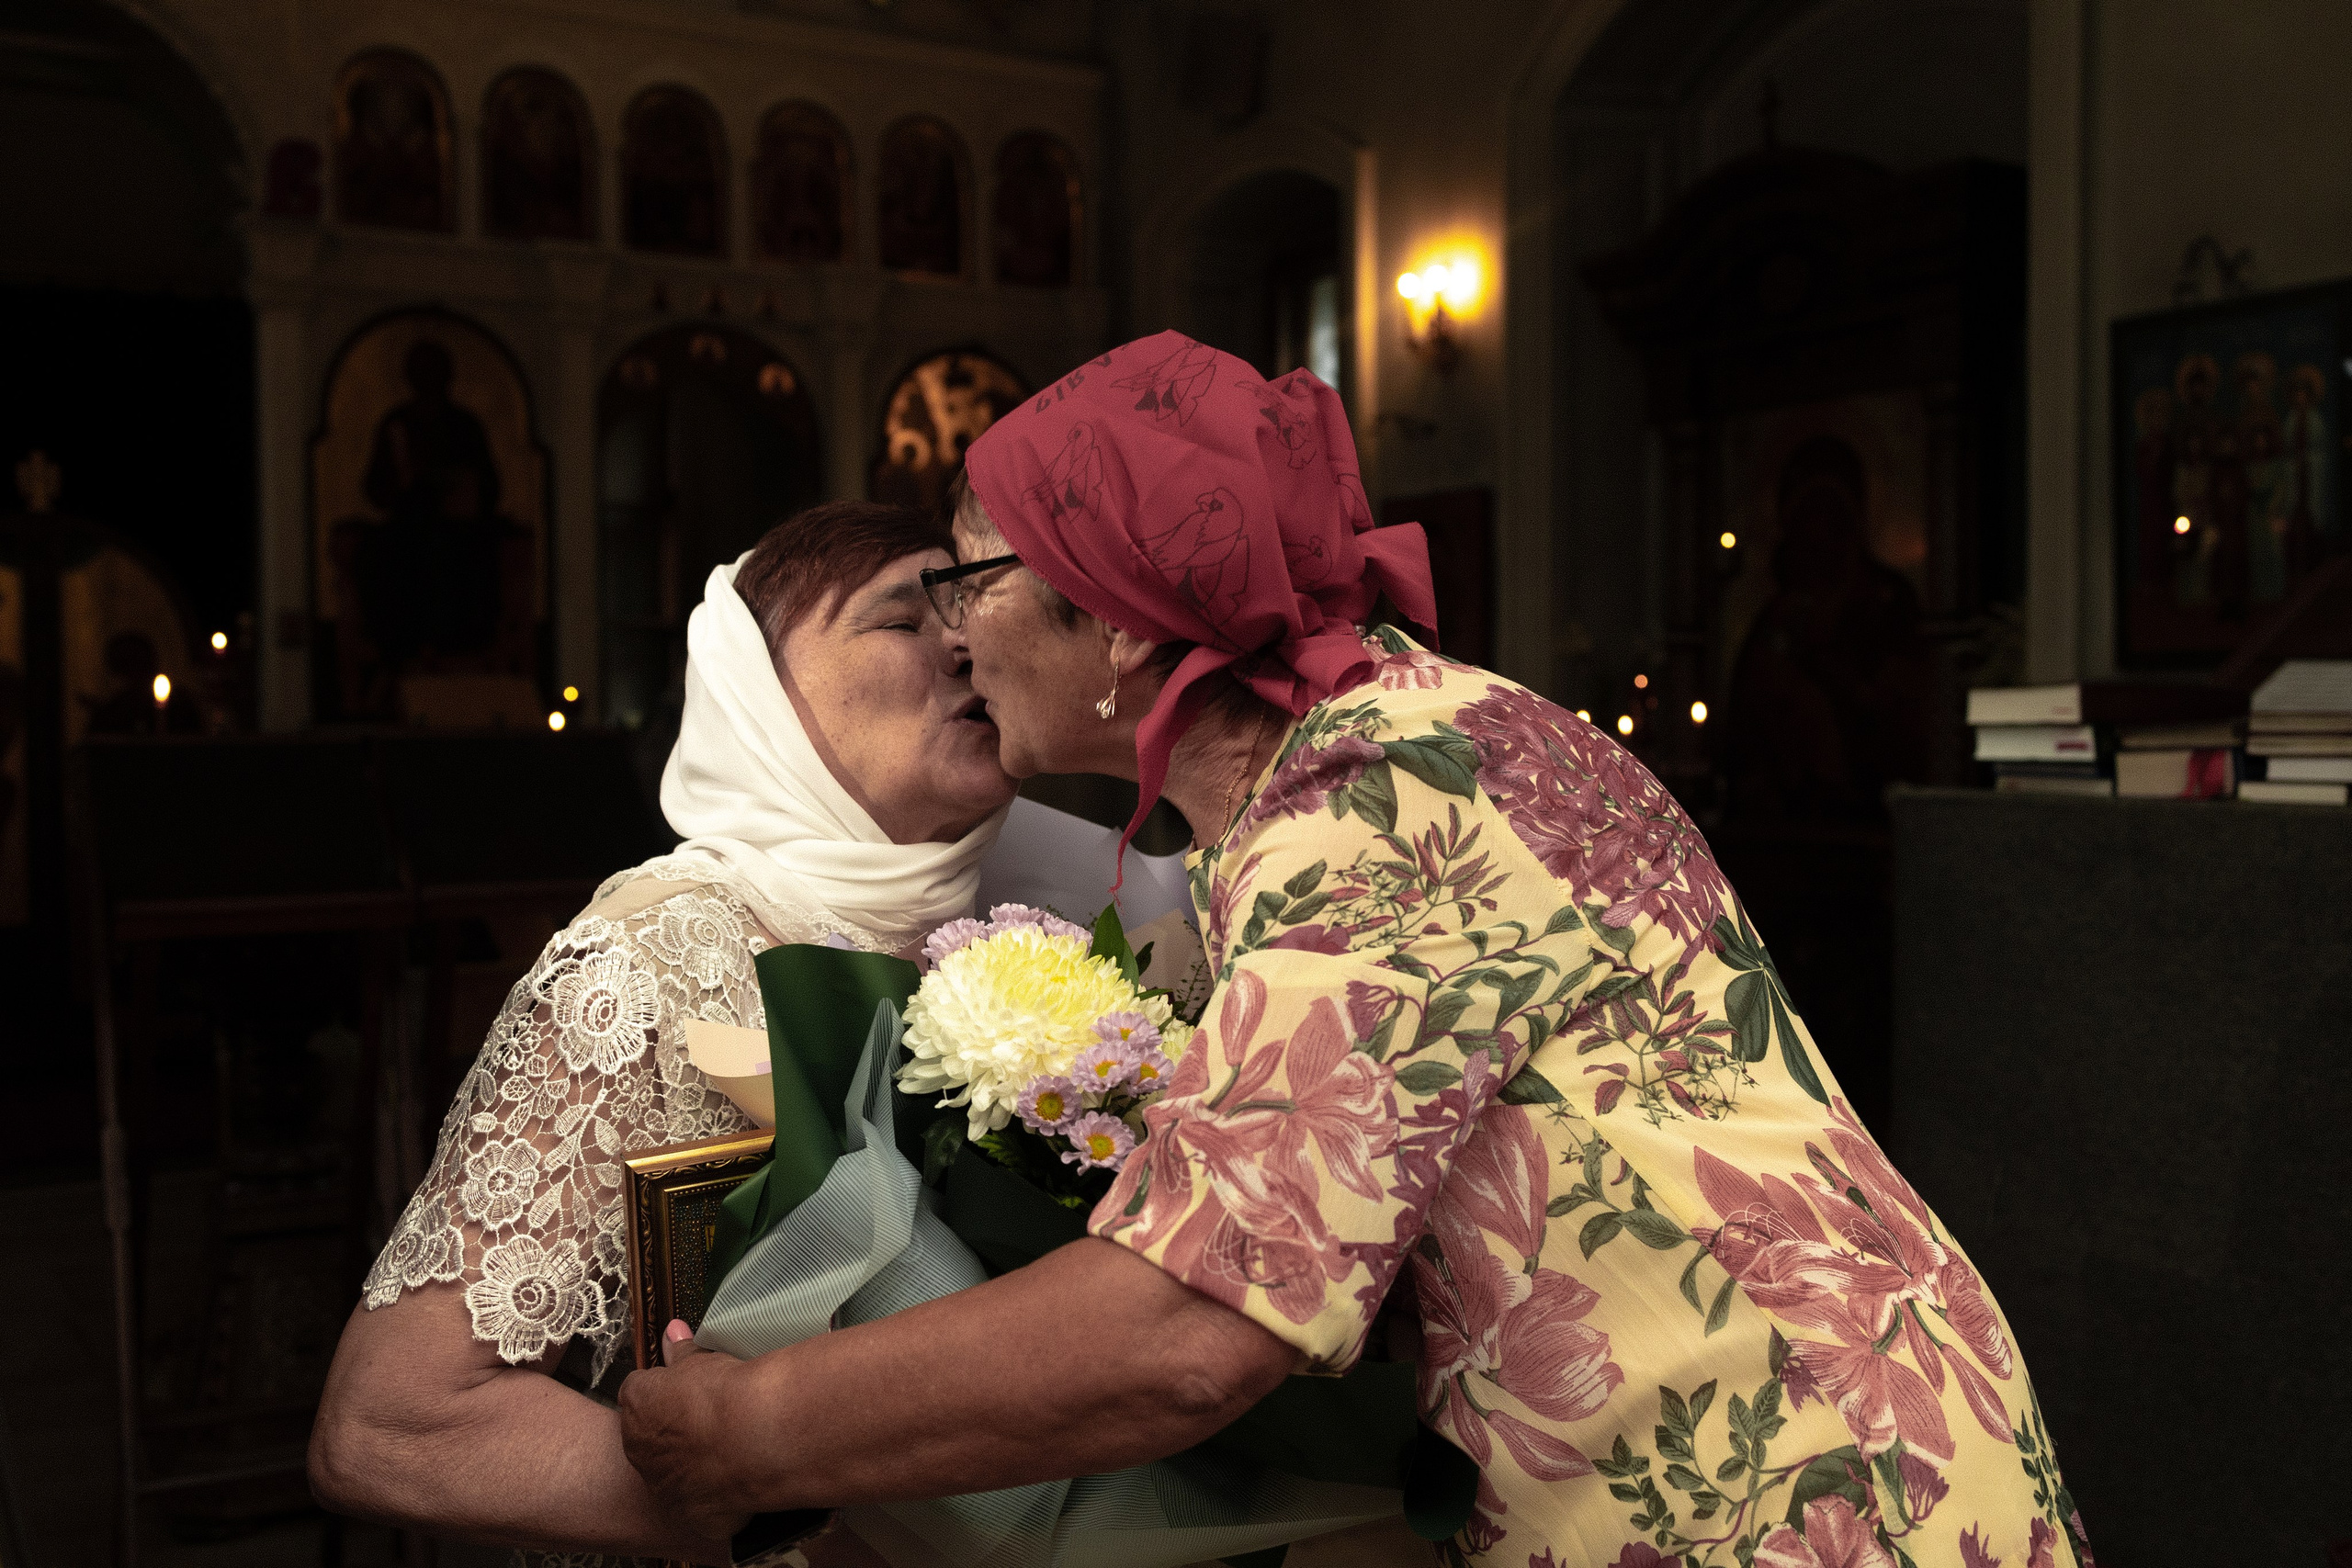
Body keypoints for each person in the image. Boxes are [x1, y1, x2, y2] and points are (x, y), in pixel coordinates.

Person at [619, 333, 2093, 1568]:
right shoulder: (1394, 735)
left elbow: (1190, 1325)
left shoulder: (1381, 795)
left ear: (1118, 624)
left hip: (1795, 1489)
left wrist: (750, 1426)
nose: (951, 632)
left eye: (967, 577)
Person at [309, 501, 1016, 1563]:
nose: (964, 643)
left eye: (968, 610)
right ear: (758, 695)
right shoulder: (656, 956)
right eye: (904, 620)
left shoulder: (1036, 922)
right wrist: (772, 1503)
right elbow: (392, 1423)